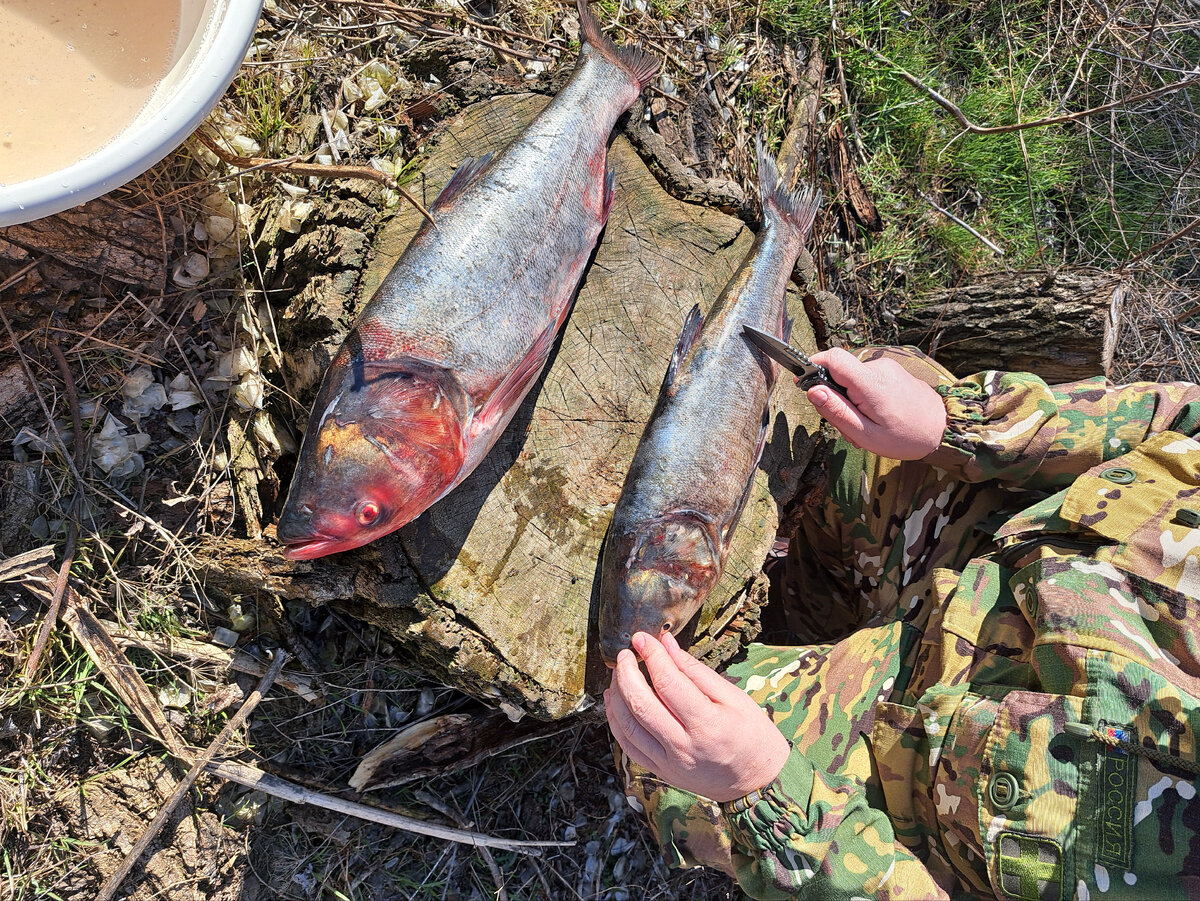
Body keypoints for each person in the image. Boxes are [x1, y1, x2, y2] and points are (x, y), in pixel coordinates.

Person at [605, 344, 1200, 900]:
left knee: (652, 733)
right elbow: (1180, 420)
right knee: (851, 405)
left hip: (894, 776)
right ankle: (798, 615)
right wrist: (958, 427)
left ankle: (768, 663)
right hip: (992, 558)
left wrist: (763, 788)